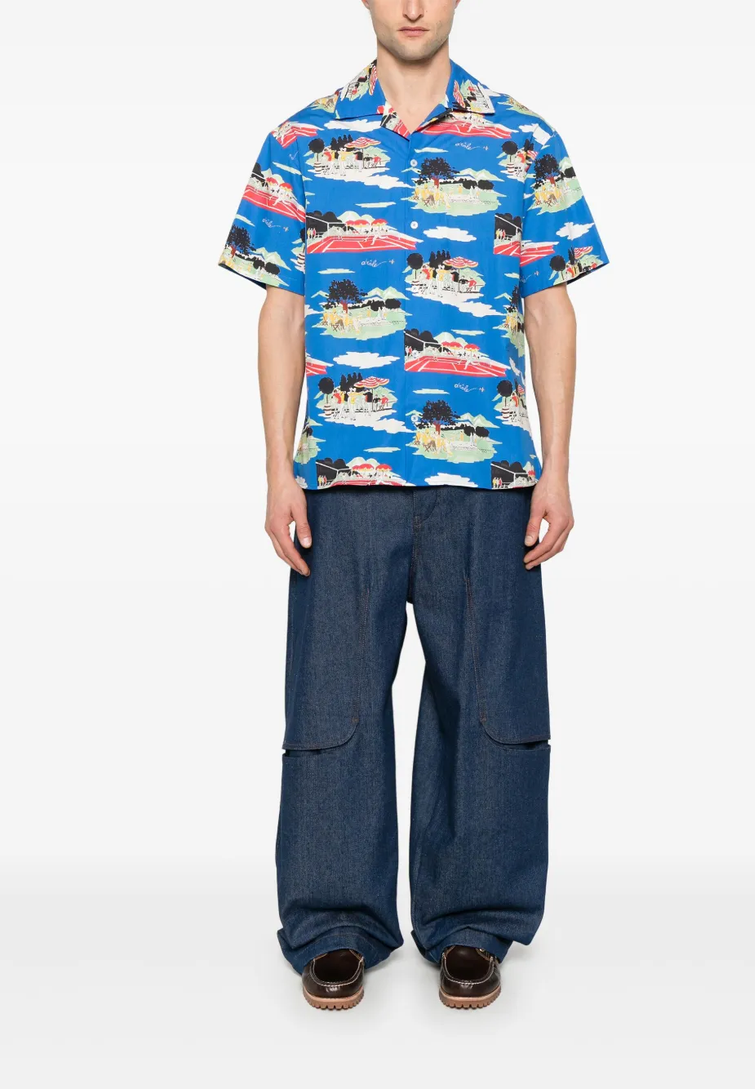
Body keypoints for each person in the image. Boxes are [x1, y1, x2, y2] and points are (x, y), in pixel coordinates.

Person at [217, 0, 609, 1010]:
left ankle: (474, 917)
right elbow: (281, 310)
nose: (413, 6)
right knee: (334, 702)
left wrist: (558, 467)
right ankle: (334, 922)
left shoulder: (523, 138)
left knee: (488, 700)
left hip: (489, 477)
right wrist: (277, 471)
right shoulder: (301, 140)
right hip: (342, 479)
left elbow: (551, 309)